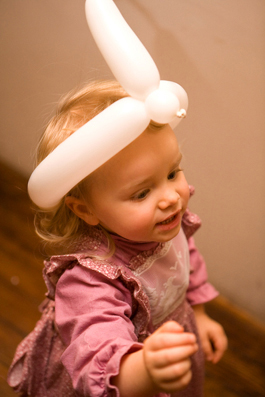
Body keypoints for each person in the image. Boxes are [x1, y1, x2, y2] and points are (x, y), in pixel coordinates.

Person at [8, 80, 227, 397]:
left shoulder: (162, 222)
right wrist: (145, 372)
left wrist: (201, 314)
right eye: (141, 193)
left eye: (172, 173)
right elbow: (98, 351)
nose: (170, 198)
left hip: (172, 346)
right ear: (85, 210)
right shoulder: (89, 282)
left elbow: (185, 258)